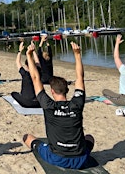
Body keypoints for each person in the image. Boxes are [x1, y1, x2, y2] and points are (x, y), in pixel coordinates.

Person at [22, 42, 95, 170]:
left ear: (52, 91)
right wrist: (77, 55)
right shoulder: (76, 103)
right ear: (67, 90)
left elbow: (35, 78)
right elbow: (80, 77)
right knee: (89, 138)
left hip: (57, 158)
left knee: (27, 138)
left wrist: (29, 55)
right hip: (80, 160)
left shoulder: (48, 105)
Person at [11, 41, 40, 108]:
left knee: (13, 94)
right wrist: (33, 51)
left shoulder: (25, 74)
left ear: (26, 66)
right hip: (36, 103)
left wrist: (20, 51)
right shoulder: (38, 73)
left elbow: (18, 62)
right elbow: (37, 62)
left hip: (25, 103)